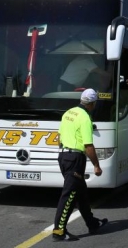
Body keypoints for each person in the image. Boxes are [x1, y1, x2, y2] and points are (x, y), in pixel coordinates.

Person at [51, 88, 108, 241]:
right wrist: (96, 165)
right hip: (75, 158)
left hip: (63, 155)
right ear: (93, 103)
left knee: (80, 193)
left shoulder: (69, 112)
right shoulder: (85, 118)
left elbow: (59, 136)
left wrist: (65, 153)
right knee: (69, 195)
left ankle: (92, 224)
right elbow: (88, 145)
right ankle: (58, 231)